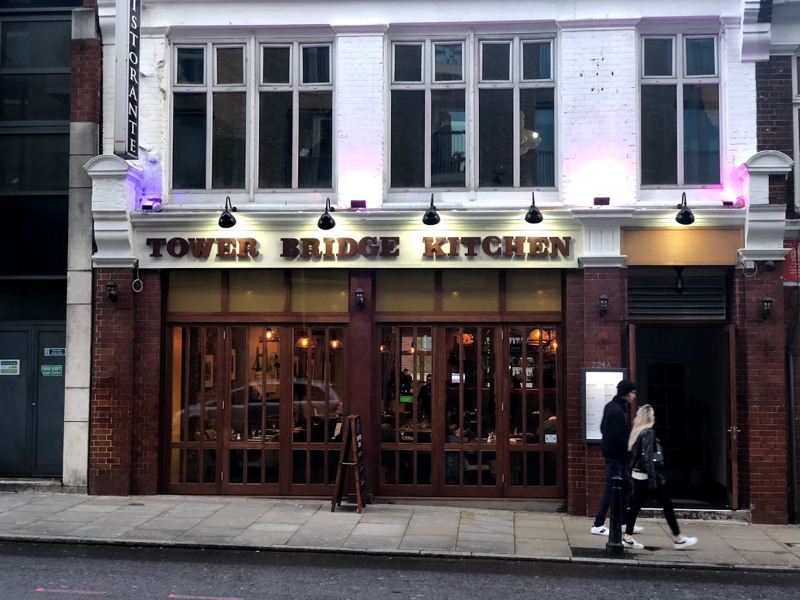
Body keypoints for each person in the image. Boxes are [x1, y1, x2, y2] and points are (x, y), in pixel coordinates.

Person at [622, 405, 698, 550]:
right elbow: (648, 457)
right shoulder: (648, 432)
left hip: (638, 476)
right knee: (667, 505)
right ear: (650, 417)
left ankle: (627, 537)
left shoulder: (636, 432)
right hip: (648, 476)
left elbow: (634, 458)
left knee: (635, 506)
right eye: (653, 415)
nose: (655, 417)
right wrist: (653, 479)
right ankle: (678, 538)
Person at [591, 379, 643, 536]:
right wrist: (629, 447)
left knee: (626, 486)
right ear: (626, 393)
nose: (634, 396)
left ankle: (622, 521)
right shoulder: (617, 411)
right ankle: (598, 524)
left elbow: (602, 428)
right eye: (633, 393)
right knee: (611, 489)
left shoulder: (613, 407)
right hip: (616, 456)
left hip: (616, 455)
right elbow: (616, 436)